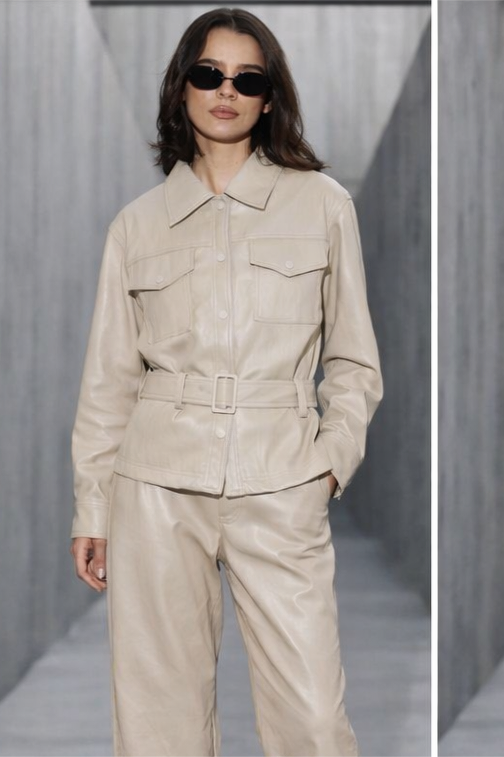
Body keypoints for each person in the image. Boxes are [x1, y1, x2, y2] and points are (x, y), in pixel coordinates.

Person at [70, 8, 382, 757]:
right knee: (160, 728)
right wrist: (93, 506)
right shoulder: (137, 226)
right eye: (209, 74)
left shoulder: (323, 205)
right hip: (156, 486)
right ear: (182, 87)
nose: (226, 91)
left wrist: (328, 465)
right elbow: (109, 381)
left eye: (248, 79)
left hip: (282, 481)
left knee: (313, 723)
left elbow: (353, 362)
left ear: (270, 99)